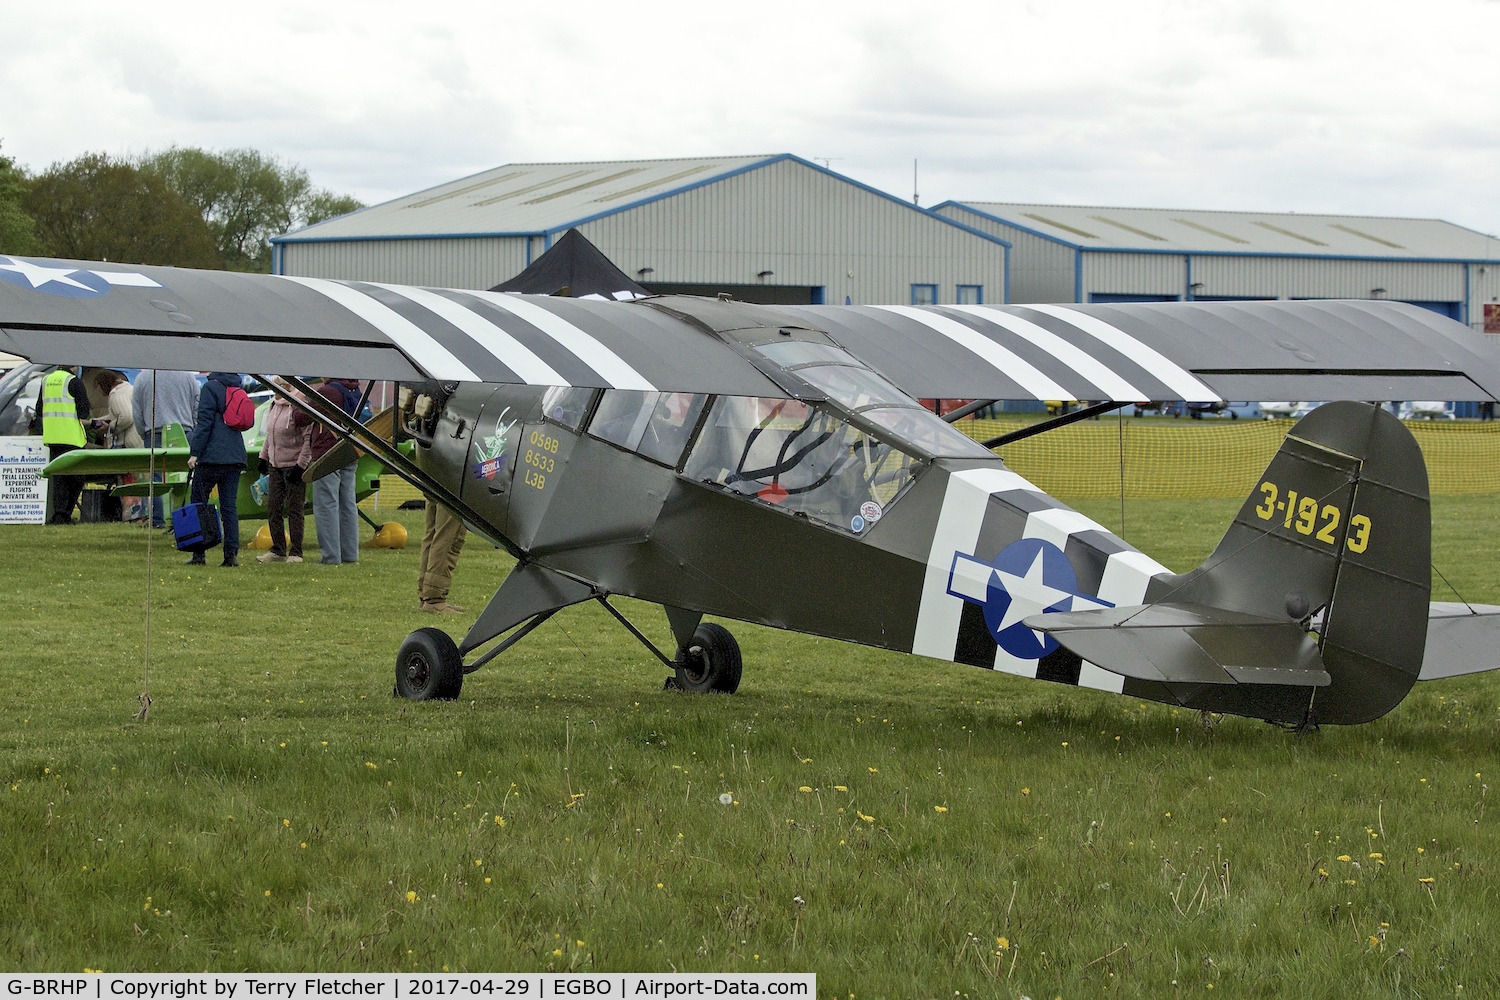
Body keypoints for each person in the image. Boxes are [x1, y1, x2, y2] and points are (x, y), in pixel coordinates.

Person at [186, 372, 248, 567]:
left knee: (199, 503)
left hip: (211, 456)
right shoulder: (237, 387)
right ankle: (231, 555)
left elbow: (204, 423)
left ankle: (199, 554)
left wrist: (195, 452)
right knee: (229, 507)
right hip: (235, 454)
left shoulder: (210, 388)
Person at [33, 366, 105, 524]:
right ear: (73, 367)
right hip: (71, 438)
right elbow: (83, 412)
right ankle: (64, 514)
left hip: (52, 437)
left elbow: (39, 409)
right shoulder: (73, 382)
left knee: (58, 478)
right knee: (76, 478)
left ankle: (59, 515)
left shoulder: (46, 381)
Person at [132, 369, 200, 529]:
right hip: (185, 431)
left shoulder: (143, 377)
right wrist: (195, 429)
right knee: (186, 477)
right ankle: (185, 517)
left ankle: (157, 520)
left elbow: (137, 412)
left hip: (154, 432)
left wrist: (144, 433)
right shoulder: (188, 376)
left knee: (155, 478)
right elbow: (197, 406)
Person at [256, 379, 313, 563]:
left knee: (295, 510)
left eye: (278, 388)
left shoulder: (298, 408)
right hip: (275, 466)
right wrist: (263, 457)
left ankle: (296, 552)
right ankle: (278, 550)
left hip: (293, 466)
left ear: (287, 388)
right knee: (273, 508)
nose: (274, 391)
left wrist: (300, 466)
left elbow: (308, 440)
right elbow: (269, 436)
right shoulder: (274, 406)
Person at [308, 377, 363, 565]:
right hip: (350, 451)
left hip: (327, 452)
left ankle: (330, 556)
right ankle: (350, 554)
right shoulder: (355, 390)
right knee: (348, 504)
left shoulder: (327, 392)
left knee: (326, 503)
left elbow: (301, 417)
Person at [94, 370, 144, 521]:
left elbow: (126, 416)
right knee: (141, 479)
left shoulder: (116, 394)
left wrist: (110, 427)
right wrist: (97, 421)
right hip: (139, 439)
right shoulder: (127, 389)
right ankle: (141, 513)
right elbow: (118, 414)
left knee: (130, 480)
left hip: (131, 442)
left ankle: (133, 514)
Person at [417, 498, 467, 613]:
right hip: (454, 484)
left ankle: (426, 594)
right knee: (450, 535)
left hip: (436, 482)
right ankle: (434, 599)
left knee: (433, 533)